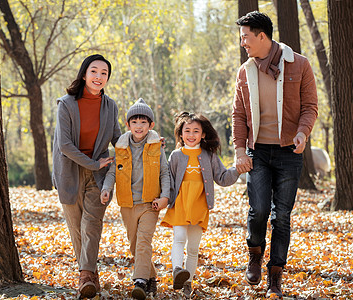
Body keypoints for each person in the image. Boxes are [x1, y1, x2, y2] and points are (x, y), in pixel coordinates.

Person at [232, 11, 318, 298]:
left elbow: (310, 107)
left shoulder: (299, 64)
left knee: (281, 216)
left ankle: (275, 277)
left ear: (262, 36)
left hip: (289, 153)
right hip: (258, 153)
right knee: (257, 212)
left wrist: (303, 133)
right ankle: (255, 252)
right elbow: (238, 114)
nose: (243, 42)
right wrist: (240, 150)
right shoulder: (245, 70)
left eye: (246, 37)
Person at [52, 54, 121, 299]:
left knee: (91, 224)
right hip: (69, 171)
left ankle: (84, 276)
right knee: (76, 227)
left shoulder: (110, 106)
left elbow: (119, 140)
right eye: (94, 71)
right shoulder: (67, 104)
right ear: (84, 74)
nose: (99, 76)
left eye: (104, 73)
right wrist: (91, 163)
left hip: (99, 173)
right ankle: (90, 275)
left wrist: (146, 142)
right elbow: (65, 146)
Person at [161, 112, 241, 298]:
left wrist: (237, 169)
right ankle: (177, 270)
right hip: (180, 202)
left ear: (203, 134)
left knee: (193, 248)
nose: (191, 134)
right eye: (186, 130)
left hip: (199, 204)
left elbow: (222, 178)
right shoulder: (175, 155)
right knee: (179, 237)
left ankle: (187, 283)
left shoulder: (209, 155)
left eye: (196, 131)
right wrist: (164, 198)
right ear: (180, 134)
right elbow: (167, 179)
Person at [100, 98, 171, 300]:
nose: (139, 126)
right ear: (128, 124)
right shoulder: (121, 147)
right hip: (128, 204)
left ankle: (139, 281)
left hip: (150, 203)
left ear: (151, 125)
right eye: (134, 122)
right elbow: (113, 172)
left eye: (143, 122)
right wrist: (106, 189)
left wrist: (165, 196)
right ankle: (151, 278)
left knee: (143, 242)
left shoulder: (156, 146)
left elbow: (164, 172)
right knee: (135, 245)